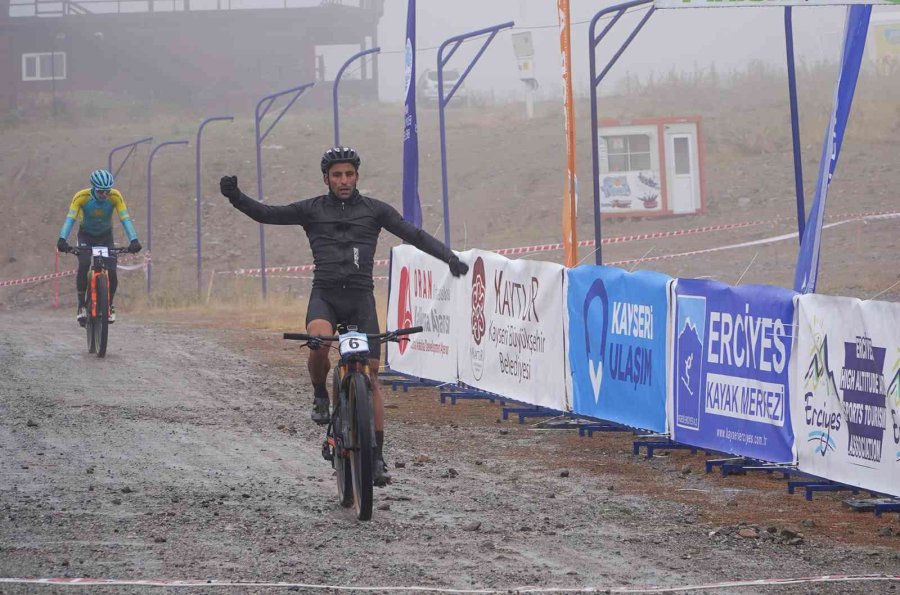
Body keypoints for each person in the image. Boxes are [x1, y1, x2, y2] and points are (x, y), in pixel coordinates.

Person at [220, 146, 468, 487]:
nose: (344, 180)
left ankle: (376, 457)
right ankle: (320, 394)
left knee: (372, 377)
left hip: (360, 301)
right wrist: (235, 197)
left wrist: (449, 257)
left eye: (349, 174)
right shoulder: (311, 210)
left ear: (357, 176)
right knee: (319, 342)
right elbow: (267, 214)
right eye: (337, 175)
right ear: (326, 179)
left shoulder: (375, 211)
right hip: (325, 297)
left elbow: (414, 235)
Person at [56, 169, 142, 326]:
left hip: (105, 237)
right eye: (101, 191)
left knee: (112, 271)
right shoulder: (81, 197)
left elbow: (125, 219)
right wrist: (62, 239)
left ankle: (109, 305)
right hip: (86, 236)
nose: (105, 195)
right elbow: (70, 219)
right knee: (84, 264)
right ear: (94, 188)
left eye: (107, 191)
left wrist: (134, 239)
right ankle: (81, 305)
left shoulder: (115, 196)